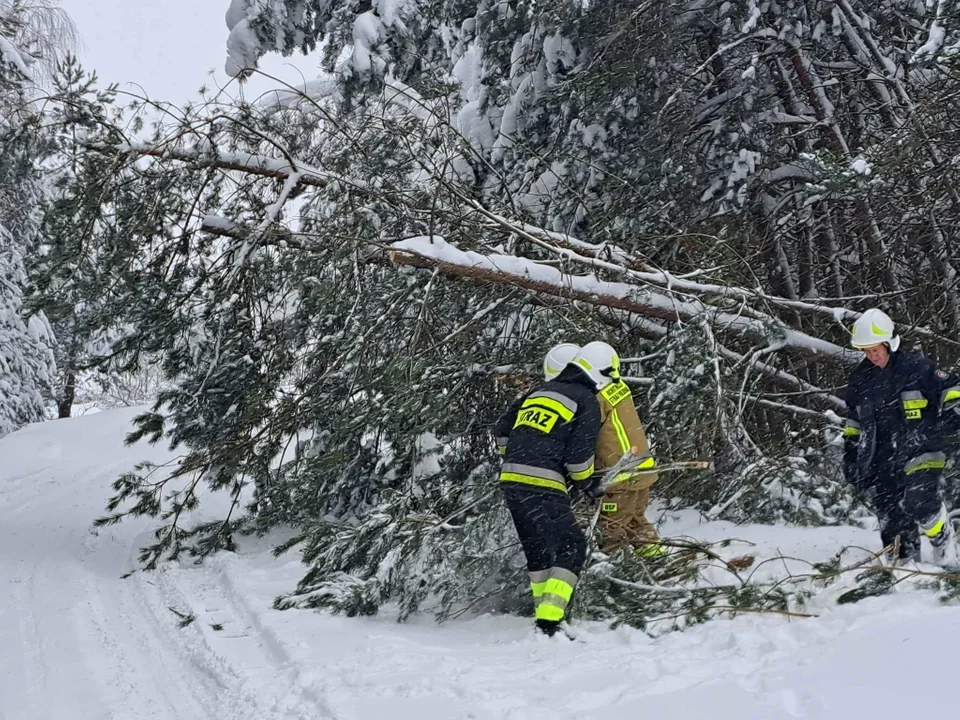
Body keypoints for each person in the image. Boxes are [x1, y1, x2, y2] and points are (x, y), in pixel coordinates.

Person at [494, 345, 603, 637]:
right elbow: (579, 458)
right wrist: (587, 485)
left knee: (537, 548)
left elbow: (502, 431)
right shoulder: (586, 399)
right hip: (543, 482)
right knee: (572, 546)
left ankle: (543, 609)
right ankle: (549, 621)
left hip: (511, 479)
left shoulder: (538, 392)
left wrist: (519, 455)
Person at [843, 308, 960, 565]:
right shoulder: (861, 380)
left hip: (922, 447)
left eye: (876, 349)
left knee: (918, 501)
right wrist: (851, 452)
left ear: (889, 343)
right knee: (890, 515)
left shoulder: (917, 368)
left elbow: (952, 388)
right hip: (882, 456)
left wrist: (953, 415)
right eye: (867, 350)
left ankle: (942, 537)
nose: (872, 355)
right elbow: (853, 420)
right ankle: (905, 568)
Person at [542, 343, 661, 556]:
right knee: (634, 521)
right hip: (641, 469)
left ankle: (613, 576)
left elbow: (580, 439)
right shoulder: (614, 385)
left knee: (610, 531)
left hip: (619, 477)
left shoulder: (590, 397)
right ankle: (659, 562)